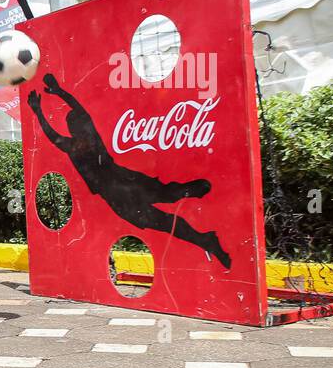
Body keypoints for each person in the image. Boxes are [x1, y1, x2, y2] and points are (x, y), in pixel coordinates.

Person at [28, 74, 231, 268]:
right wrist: (56, 94)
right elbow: (63, 123)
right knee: (165, 208)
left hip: (119, 188)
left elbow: (53, 132)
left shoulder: (78, 144)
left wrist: (41, 108)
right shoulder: (84, 142)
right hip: (122, 184)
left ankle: (195, 215)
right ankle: (203, 233)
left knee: (165, 210)